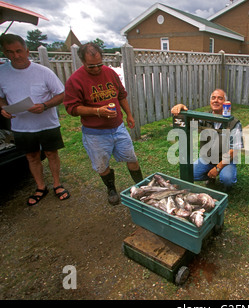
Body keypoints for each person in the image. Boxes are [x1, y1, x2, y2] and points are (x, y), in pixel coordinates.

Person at [64, 42, 143, 205]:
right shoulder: (75, 80)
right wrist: (98, 111)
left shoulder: (109, 72)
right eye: (91, 66)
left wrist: (129, 115)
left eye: (99, 64)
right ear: (82, 62)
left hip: (118, 127)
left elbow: (121, 95)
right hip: (95, 133)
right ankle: (111, 189)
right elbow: (71, 108)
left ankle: (141, 186)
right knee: (101, 166)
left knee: (132, 158)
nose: (97, 69)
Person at [0, 34, 70, 206]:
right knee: (31, 156)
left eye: (18, 51)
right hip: (21, 125)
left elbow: (61, 94)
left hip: (46, 122)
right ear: (4, 52)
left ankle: (57, 184)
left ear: (27, 51)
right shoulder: (2, 73)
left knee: (51, 153)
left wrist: (45, 105)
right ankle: (40, 186)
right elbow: (1, 97)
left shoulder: (43, 72)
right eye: (10, 52)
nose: (15, 56)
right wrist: (2, 108)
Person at [171, 89, 243, 191]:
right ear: (210, 102)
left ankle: (226, 182)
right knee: (190, 173)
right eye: (213, 98)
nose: (216, 101)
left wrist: (217, 168)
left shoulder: (233, 123)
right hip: (207, 159)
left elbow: (234, 151)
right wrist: (181, 108)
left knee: (228, 179)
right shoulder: (204, 117)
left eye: (220, 98)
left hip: (226, 160)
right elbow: (189, 121)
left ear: (225, 103)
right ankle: (210, 176)